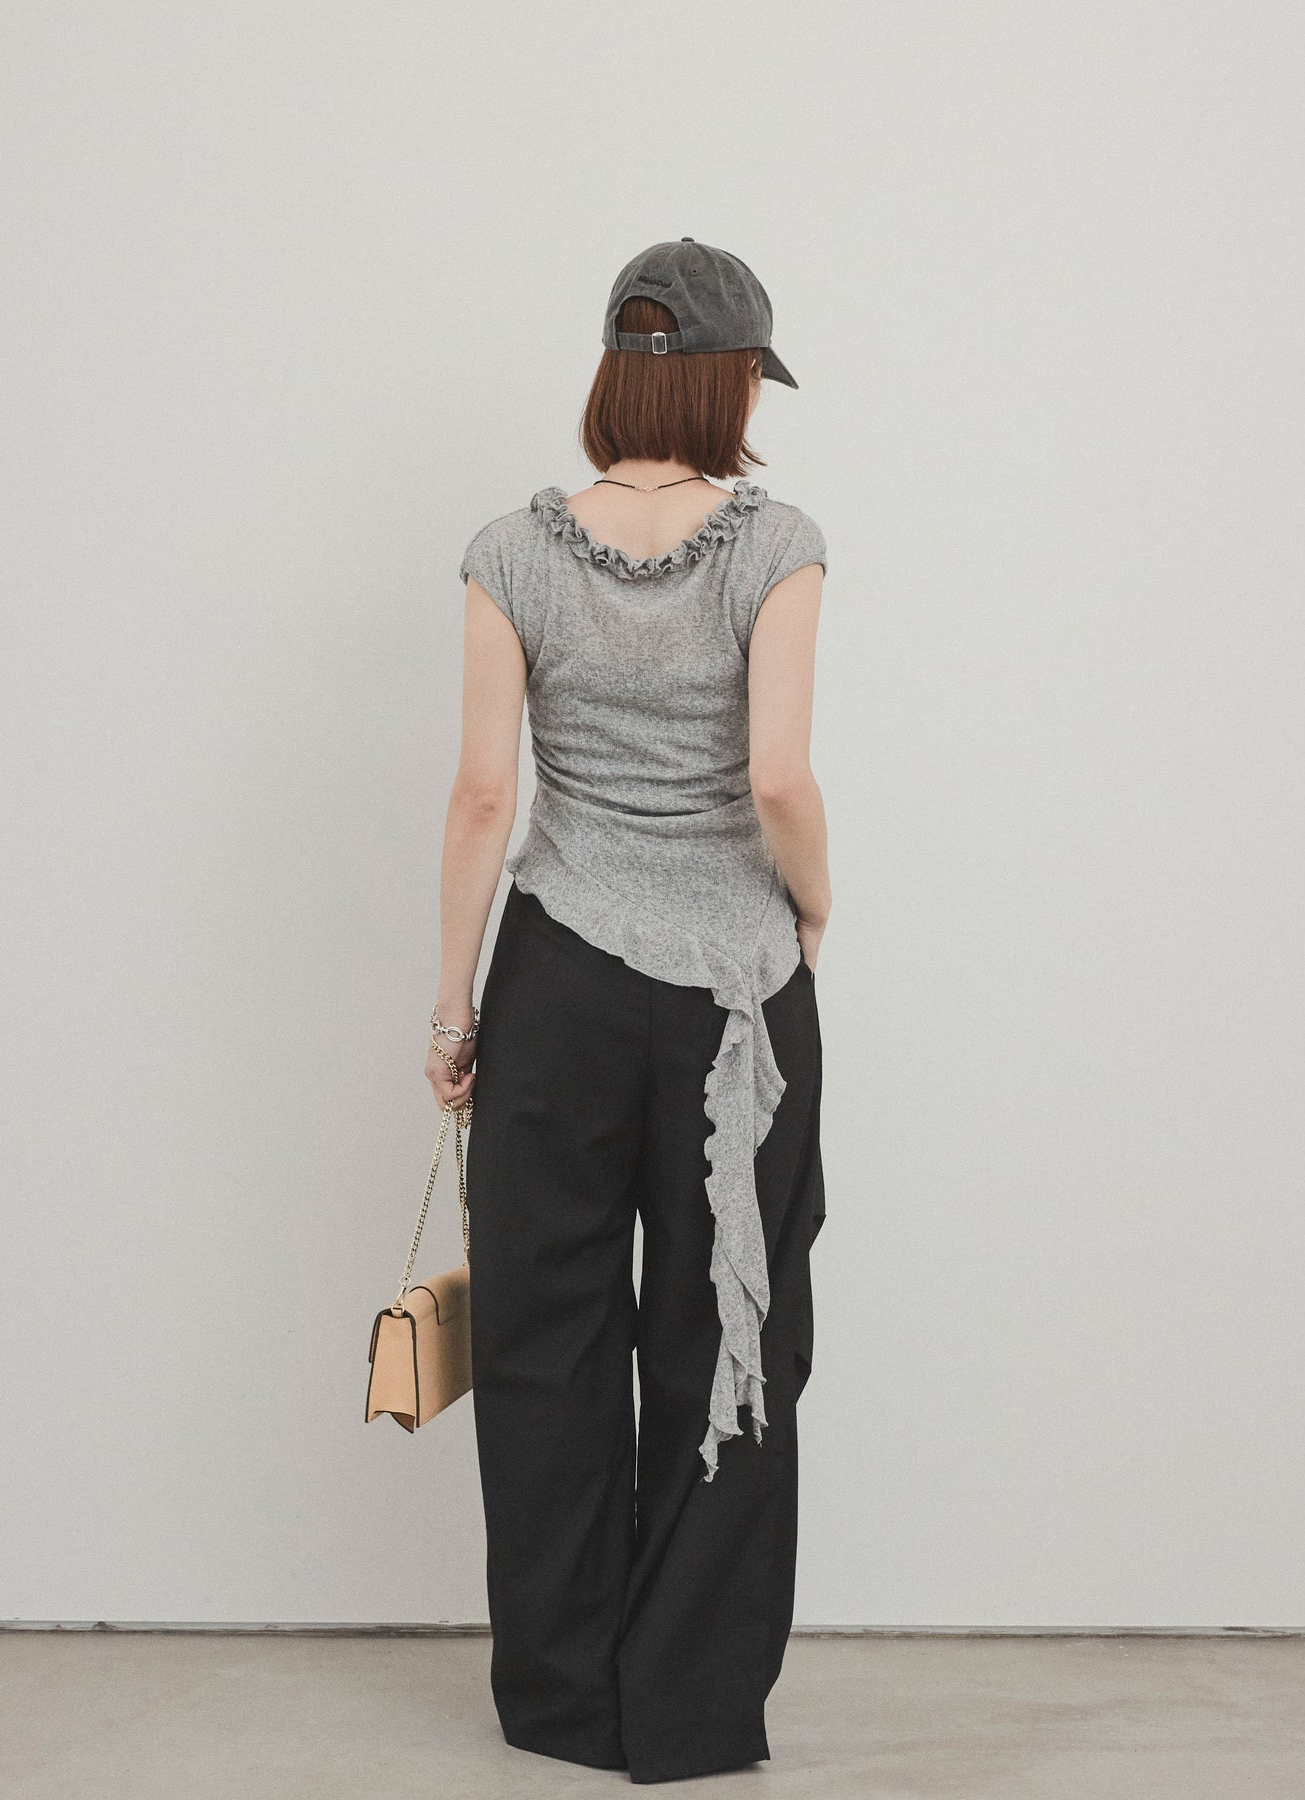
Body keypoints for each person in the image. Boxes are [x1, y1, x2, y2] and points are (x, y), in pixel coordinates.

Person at [426, 238, 830, 1785]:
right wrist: (813, 903)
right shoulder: (774, 541)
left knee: (545, 1335)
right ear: (729, 383)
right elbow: (777, 778)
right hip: (736, 998)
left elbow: (483, 794)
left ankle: (561, 1702)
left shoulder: (508, 549)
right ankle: (688, 1709)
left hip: (557, 978)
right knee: (727, 1334)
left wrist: (452, 1009)